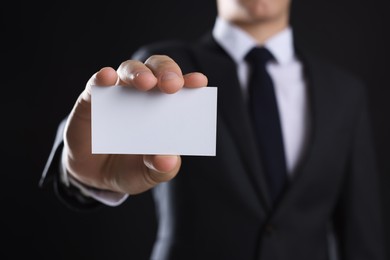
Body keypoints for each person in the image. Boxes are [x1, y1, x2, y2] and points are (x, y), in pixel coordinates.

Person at [40, 0, 386, 259]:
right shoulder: (167, 68)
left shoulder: (344, 92)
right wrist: (77, 174)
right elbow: (93, 140)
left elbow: (362, 234)